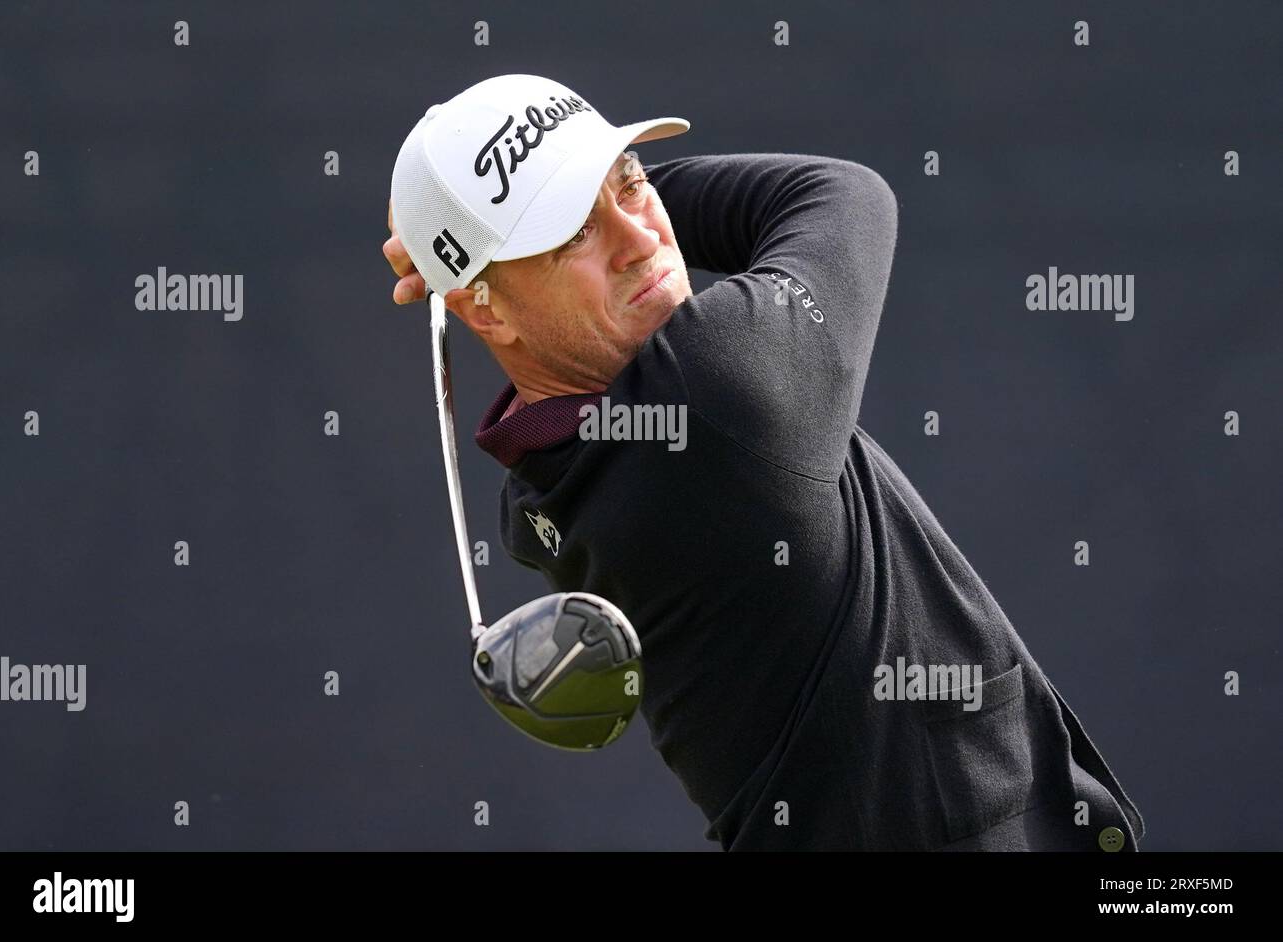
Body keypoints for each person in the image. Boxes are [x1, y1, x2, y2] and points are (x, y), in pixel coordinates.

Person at [383, 73, 1146, 851]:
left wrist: (479, 240)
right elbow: (841, 196)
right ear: (484, 309)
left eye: (635, 184)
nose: (643, 238)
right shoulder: (716, 393)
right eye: (574, 233)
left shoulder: (541, 489)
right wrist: (481, 237)